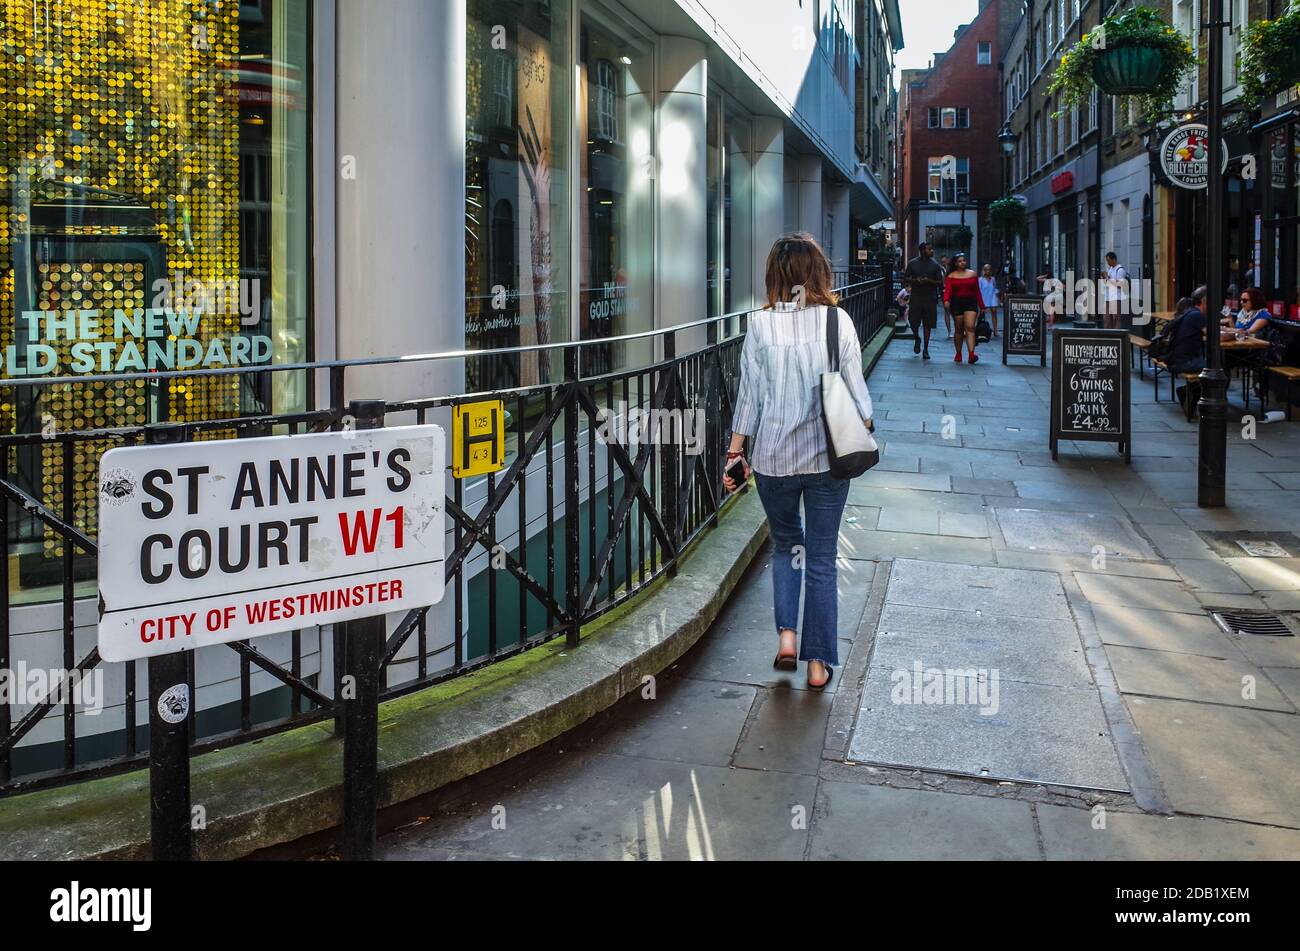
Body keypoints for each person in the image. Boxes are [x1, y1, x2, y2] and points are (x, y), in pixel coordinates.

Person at [723, 232, 873, 691]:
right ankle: (816, 664)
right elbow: (856, 390)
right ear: (817, 273)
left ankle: (787, 637)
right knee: (823, 558)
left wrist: (734, 452)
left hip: (772, 460)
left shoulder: (759, 324)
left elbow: (749, 395)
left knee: (787, 547)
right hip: (827, 459)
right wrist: (865, 422)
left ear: (775, 276)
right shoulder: (838, 320)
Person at [902, 242, 945, 359]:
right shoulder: (912, 263)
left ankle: (926, 349)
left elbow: (940, 282)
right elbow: (905, 278)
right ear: (922, 250)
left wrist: (928, 281)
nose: (932, 251)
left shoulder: (935, 265)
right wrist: (915, 280)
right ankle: (917, 338)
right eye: (929, 249)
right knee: (912, 321)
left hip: (930, 297)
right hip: (916, 296)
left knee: (928, 324)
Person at [1169, 286, 1208, 409]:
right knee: (1217, 369)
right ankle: (1192, 395)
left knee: (1215, 366)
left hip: (1177, 359)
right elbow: (1215, 336)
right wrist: (1233, 334)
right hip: (1186, 362)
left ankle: (1189, 391)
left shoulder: (1189, 312)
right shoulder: (1197, 315)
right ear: (1204, 301)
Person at [943, 252, 985, 364]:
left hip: (971, 302)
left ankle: (971, 354)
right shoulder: (951, 276)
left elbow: (977, 291)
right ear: (956, 263)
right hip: (957, 302)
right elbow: (948, 290)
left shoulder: (972, 274)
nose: (963, 262)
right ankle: (958, 353)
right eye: (960, 261)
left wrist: (982, 306)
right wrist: (946, 300)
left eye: (964, 260)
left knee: (970, 327)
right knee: (959, 329)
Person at [1102, 252, 1128, 330]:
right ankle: (1108, 337)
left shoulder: (1120, 270)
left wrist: (1109, 279)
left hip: (1116, 298)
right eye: (1107, 261)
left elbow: (1119, 284)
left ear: (1114, 259)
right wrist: (1105, 278)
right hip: (1108, 297)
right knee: (1107, 319)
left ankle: (1117, 338)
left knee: (1116, 319)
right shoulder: (1110, 269)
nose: (1108, 262)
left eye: (1109, 260)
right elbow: (1108, 283)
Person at [979, 264, 1001, 337]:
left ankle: (995, 330)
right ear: (984, 270)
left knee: (994, 311)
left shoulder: (993, 279)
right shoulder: (980, 279)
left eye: (989, 269)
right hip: (984, 297)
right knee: (982, 313)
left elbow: (995, 288)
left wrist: (998, 297)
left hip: (992, 296)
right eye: (986, 269)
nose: (988, 271)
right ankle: (978, 327)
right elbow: (978, 290)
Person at [939, 255, 953, 336]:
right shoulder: (941, 270)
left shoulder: (951, 269)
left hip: (953, 291)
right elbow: (941, 280)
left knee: (953, 311)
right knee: (947, 310)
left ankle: (957, 329)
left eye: (945, 261)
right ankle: (949, 331)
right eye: (942, 262)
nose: (944, 263)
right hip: (944, 291)